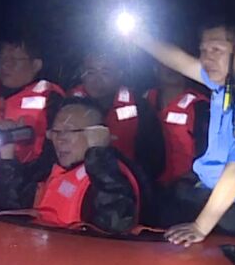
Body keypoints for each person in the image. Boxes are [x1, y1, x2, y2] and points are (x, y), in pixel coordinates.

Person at [126, 21, 235, 246]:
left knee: (154, 214)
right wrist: (137, 37)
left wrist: (199, 227)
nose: (207, 58)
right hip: (229, 195)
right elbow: (180, 61)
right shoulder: (231, 76)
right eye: (203, 50)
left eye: (216, 50)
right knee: (164, 194)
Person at [0, 97, 150, 235]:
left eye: (69, 131)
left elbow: (113, 227)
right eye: (56, 132)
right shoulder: (49, 168)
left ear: (96, 134)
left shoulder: (112, 175)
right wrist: (6, 156)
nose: (60, 140)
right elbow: (13, 211)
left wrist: (98, 153)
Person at [0, 36, 65, 212]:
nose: (5, 65)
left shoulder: (52, 100)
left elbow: (54, 157)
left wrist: (1, 186)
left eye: (14, 60)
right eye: (2, 59)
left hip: (23, 194)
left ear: (36, 65)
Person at [69, 48, 166, 183]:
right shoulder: (68, 105)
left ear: (119, 75)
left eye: (105, 72)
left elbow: (154, 159)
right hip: (77, 183)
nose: (96, 80)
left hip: (124, 185)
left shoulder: (140, 107)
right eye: (90, 72)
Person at [143, 62, 210, 187]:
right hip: (150, 184)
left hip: (186, 187)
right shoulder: (145, 99)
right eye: (165, 64)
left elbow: (206, 152)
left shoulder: (200, 106)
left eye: (176, 65)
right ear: (155, 68)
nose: (172, 69)